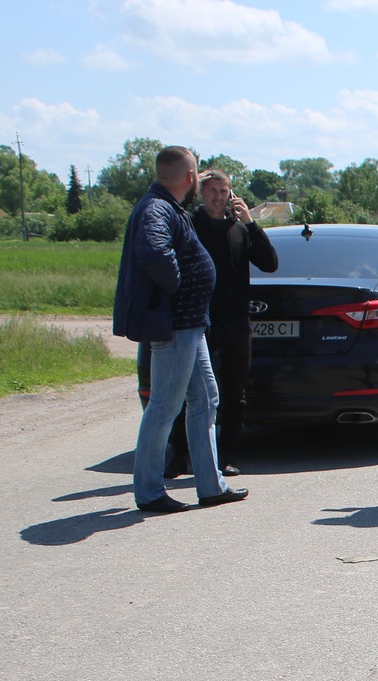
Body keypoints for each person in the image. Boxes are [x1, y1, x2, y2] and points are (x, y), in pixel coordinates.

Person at [112, 145, 246, 514]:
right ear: (190, 178)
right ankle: (150, 491)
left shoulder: (167, 207)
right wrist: (178, 283)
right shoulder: (156, 208)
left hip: (191, 325)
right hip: (175, 326)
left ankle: (210, 485)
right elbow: (154, 252)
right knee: (164, 407)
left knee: (205, 399)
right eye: (198, 174)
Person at [160, 168, 278, 478]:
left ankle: (227, 456)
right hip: (197, 319)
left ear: (231, 195)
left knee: (234, 392)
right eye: (212, 190)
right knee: (188, 390)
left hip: (236, 320)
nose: (218, 197)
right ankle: (179, 455)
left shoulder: (238, 229)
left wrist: (250, 224)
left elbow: (270, 262)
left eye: (224, 191)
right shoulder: (189, 224)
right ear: (202, 192)